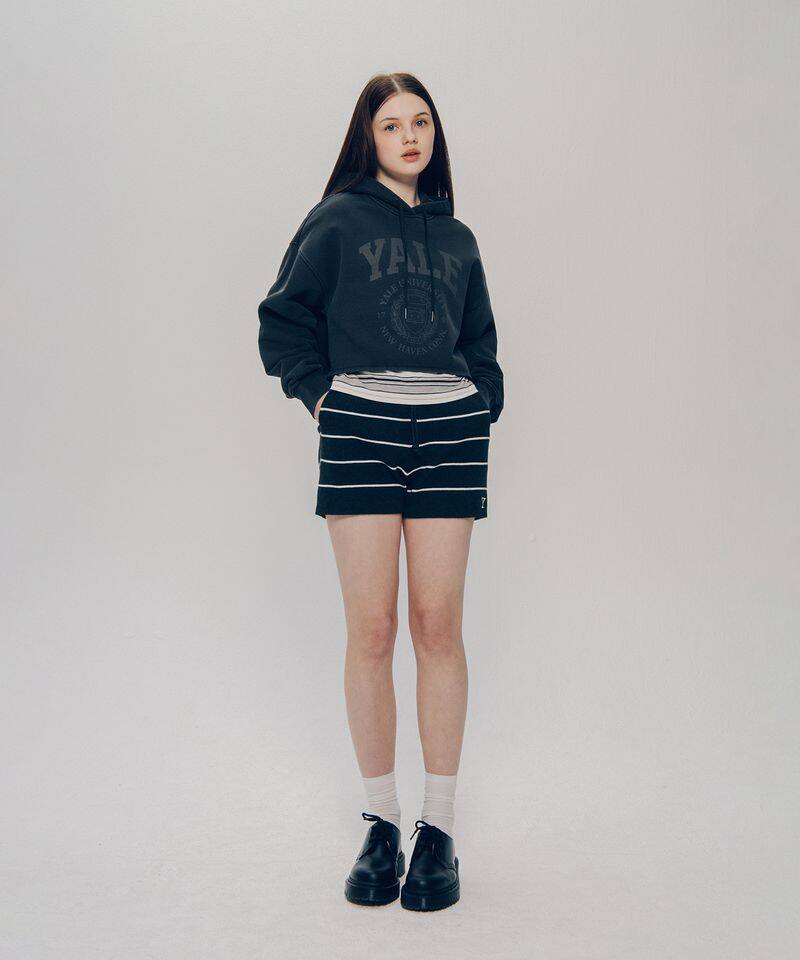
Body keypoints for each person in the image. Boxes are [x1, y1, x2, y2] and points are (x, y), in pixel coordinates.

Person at [257, 72, 504, 911]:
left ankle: (438, 830)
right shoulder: (334, 221)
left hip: (449, 432)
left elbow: (480, 338)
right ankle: (380, 820)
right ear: (367, 137)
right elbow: (283, 318)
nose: (410, 136)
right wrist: (322, 399)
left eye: (421, 121)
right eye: (392, 124)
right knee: (372, 628)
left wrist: (480, 403)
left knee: (438, 626)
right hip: (361, 427)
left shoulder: (458, 237)